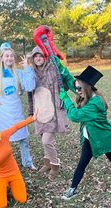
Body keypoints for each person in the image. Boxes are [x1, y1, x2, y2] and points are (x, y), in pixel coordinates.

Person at [57, 62, 111, 200]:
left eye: (79, 86)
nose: (76, 88)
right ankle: (72, 189)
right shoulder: (86, 93)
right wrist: (58, 64)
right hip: (90, 138)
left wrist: (65, 98)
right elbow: (72, 82)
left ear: (86, 87)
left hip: (105, 138)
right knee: (82, 163)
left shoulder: (95, 103)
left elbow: (75, 116)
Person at [0, 42, 36, 170]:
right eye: (6, 56)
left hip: (16, 110)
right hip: (2, 113)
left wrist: (27, 69)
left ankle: (27, 163)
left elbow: (30, 87)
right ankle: (0, 161)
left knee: (23, 137)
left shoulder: (19, 72)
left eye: (11, 56)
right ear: (1, 58)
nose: (9, 58)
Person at [27, 46, 70, 180]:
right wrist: (30, 111)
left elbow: (64, 84)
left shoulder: (53, 69)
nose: (38, 58)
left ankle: (55, 164)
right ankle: (47, 163)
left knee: (47, 140)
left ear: (45, 57)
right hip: (39, 110)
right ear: (33, 59)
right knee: (42, 138)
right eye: (36, 56)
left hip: (53, 110)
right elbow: (29, 94)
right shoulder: (31, 72)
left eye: (41, 56)